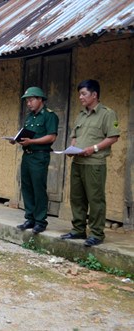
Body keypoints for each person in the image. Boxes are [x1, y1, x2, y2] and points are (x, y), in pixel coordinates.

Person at [61, 79, 120, 247]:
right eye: (79, 94)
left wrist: (93, 148)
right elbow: (75, 136)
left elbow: (113, 137)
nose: (80, 97)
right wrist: (71, 148)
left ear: (94, 95)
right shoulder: (81, 114)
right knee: (77, 198)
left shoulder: (107, 114)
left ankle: (96, 233)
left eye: (84, 94)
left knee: (95, 199)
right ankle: (78, 229)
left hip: (94, 163)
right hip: (78, 162)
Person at [14, 87, 59, 234]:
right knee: (26, 186)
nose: (28, 103)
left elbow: (51, 137)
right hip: (27, 155)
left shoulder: (49, 116)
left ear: (40, 99)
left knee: (38, 187)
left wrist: (31, 142)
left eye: (31, 100)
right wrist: (17, 139)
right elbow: (26, 134)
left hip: (40, 156)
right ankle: (30, 218)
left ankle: (40, 221)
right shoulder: (30, 117)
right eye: (27, 100)